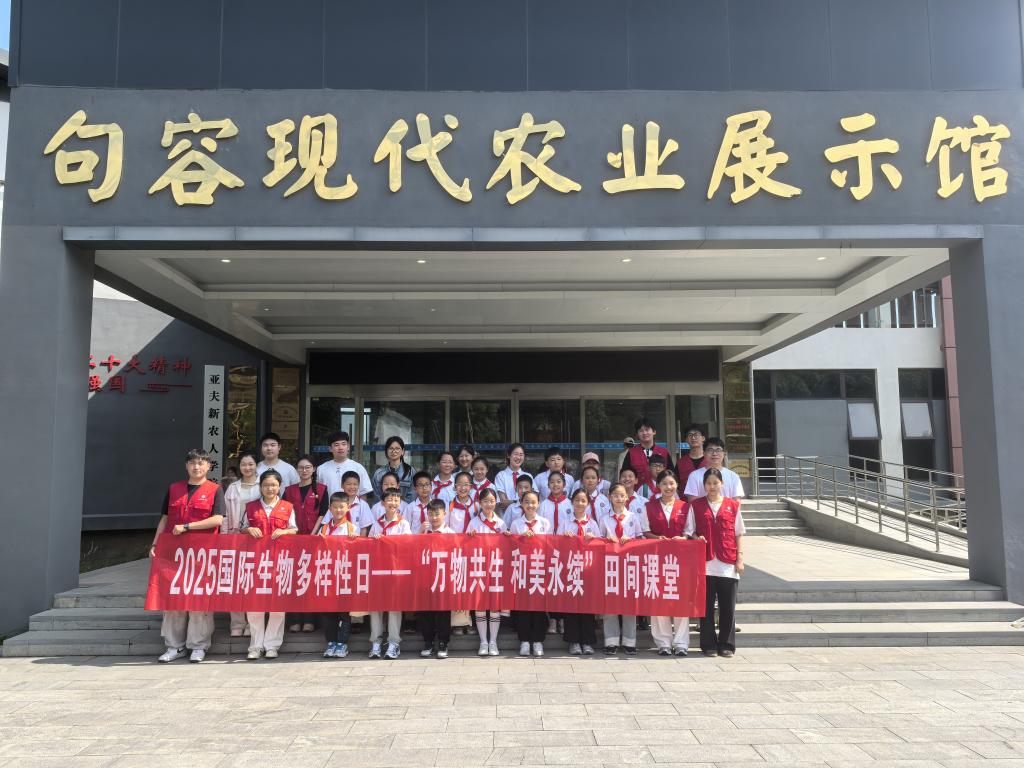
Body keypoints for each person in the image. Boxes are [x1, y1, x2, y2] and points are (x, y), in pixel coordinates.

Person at [151, 448, 225, 664]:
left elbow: (218, 519)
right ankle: (174, 645)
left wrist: (187, 527)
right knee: (173, 599)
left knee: (199, 600)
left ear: (208, 466)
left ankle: (198, 646)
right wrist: (155, 543)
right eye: (192, 463)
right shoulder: (174, 488)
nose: (196, 467)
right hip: (173, 552)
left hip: (202, 554)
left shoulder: (215, 490)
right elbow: (165, 519)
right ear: (186, 466)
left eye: (201, 463)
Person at [686, 468, 745, 658]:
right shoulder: (696, 506)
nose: (712, 486)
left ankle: (727, 644)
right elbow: (689, 531)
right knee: (706, 606)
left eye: (715, 483)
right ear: (704, 485)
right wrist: (697, 538)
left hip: (728, 562)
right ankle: (708, 644)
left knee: (728, 607)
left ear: (722, 484)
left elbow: (739, 533)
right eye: (708, 483)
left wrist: (740, 558)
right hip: (705, 562)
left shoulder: (732, 505)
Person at [243, 468, 298, 660]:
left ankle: (272, 645)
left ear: (279, 486)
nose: (270, 488)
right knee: (254, 604)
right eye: (266, 485)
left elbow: (295, 529)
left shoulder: (287, 506)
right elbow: (242, 528)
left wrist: (284, 532)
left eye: (273, 485)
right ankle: (255, 646)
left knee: (277, 605)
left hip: (279, 560)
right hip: (255, 560)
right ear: (260, 487)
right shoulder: (251, 506)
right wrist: (249, 529)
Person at [643, 469, 691, 657]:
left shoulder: (685, 507)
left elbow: (690, 531)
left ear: (677, 485)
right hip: (657, 558)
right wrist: (657, 538)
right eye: (664, 484)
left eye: (671, 483)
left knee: (681, 600)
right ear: (658, 486)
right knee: (659, 600)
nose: (668, 487)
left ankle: (681, 643)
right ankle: (663, 642)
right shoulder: (649, 506)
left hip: (681, 560)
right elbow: (645, 531)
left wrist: (683, 538)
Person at [283, 454, 329, 633]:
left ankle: (310, 620)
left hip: (313, 540)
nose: (304, 470)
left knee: (310, 578)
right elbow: (283, 512)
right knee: (294, 579)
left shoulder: (322, 489)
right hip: (292, 540)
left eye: (308, 467)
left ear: (314, 469)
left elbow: (323, 513)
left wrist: (313, 534)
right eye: (301, 467)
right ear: (296, 469)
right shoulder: (289, 490)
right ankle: (295, 619)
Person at [600, 483, 644, 656]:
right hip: (610, 565)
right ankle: (611, 641)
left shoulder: (633, 517)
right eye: (615, 495)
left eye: (622, 495)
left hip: (629, 564)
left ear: (627, 497)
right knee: (610, 603)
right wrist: (607, 539)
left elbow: (641, 538)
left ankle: (629, 641)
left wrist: (630, 539)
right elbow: (598, 540)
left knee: (629, 603)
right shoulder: (604, 518)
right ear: (610, 497)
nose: (619, 498)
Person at [367, 488, 411, 659]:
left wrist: (389, 542)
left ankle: (393, 643)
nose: (393, 503)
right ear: (383, 503)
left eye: (396, 500)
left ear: (400, 503)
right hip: (378, 572)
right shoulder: (376, 524)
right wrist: (375, 541)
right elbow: (368, 547)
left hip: (396, 572)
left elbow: (407, 546)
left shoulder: (403, 524)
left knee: (394, 608)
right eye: (389, 500)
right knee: (376, 607)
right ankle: (376, 642)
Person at [222, 450, 261, 637]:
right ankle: (237, 623)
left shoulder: (264, 484)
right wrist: (224, 538)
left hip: (257, 538)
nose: (247, 467)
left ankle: (253, 624)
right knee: (235, 581)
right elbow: (225, 516)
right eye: (244, 464)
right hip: (235, 538)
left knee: (254, 581)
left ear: (256, 465)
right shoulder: (232, 487)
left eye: (251, 464)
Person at [507, 489, 550, 657]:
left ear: (538, 504)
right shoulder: (516, 524)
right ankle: (524, 640)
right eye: (526, 502)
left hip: (540, 569)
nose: (530, 505)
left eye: (533, 502)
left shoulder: (545, 523)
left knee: (539, 607)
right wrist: (521, 538)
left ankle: (538, 640)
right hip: (522, 569)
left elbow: (551, 544)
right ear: (521, 504)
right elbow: (510, 546)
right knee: (523, 606)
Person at [558, 488, 601, 655]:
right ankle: (574, 641)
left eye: (583, 500)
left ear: (588, 503)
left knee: (587, 606)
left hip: (588, 570)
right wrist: (564, 538)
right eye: (577, 500)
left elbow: (600, 546)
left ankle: (587, 641)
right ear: (572, 502)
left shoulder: (592, 524)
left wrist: (593, 539)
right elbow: (556, 544)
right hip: (570, 568)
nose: (580, 503)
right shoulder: (565, 523)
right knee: (571, 606)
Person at [319, 493, 360, 659]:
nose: (338, 510)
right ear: (330, 508)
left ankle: (342, 643)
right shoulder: (324, 528)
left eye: (342, 507)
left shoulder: (352, 528)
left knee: (344, 612)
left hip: (345, 575)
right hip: (327, 575)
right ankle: (331, 642)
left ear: (348, 508)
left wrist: (355, 540)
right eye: (335, 507)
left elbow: (358, 551)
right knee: (328, 612)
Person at [465, 487, 504, 655]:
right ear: (480, 503)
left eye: (492, 501)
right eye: (485, 501)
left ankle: (493, 642)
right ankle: (483, 642)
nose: (489, 504)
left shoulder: (501, 523)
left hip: (496, 568)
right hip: (478, 568)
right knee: (480, 605)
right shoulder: (474, 523)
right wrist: (469, 537)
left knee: (495, 605)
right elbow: (464, 546)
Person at [418, 499, 455, 659]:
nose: (434, 518)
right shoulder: (422, 531)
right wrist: (420, 533)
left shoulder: (450, 533)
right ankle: (428, 642)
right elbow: (413, 550)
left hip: (443, 578)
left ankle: (443, 643)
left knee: (443, 612)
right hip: (425, 578)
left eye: (437, 514)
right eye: (431, 514)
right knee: (425, 611)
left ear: (444, 514)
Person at [683, 437, 746, 503]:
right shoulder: (694, 475)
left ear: (724, 454)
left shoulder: (733, 476)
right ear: (704, 453)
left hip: (726, 510)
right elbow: (692, 501)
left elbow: (736, 503)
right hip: (702, 510)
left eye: (718, 450)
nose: (714, 454)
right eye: (710, 450)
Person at [620, 418, 671, 493]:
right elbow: (624, 475)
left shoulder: (664, 452)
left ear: (654, 432)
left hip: (661, 495)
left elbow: (671, 475)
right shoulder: (631, 453)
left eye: (647, 430)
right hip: (637, 495)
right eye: (641, 431)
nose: (644, 433)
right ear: (637, 434)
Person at [316, 431, 373, 497]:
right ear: (330, 449)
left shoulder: (358, 467)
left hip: (353, 504)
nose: (340, 448)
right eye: (336, 445)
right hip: (329, 504)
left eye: (344, 444)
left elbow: (363, 492)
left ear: (348, 447)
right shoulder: (321, 469)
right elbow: (318, 493)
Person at [372, 435, 415, 502]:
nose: (394, 451)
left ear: (403, 451)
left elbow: (412, 496)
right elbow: (377, 498)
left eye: (397, 448)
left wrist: (400, 507)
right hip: (384, 508)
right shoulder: (379, 473)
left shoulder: (410, 471)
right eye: (391, 448)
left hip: (405, 508)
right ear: (386, 451)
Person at [495, 443, 533, 511]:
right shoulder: (501, 476)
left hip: (526, 514)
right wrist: (522, 501)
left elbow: (533, 499)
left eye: (521, 455)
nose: (518, 457)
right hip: (506, 515)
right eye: (516, 454)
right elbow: (503, 502)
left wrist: (511, 502)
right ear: (508, 455)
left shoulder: (528, 476)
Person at [676, 425, 708, 493]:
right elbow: (676, 485)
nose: (693, 437)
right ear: (686, 440)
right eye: (690, 435)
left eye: (696, 435)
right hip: (685, 499)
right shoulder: (680, 462)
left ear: (703, 438)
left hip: (708, 498)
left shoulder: (710, 460)